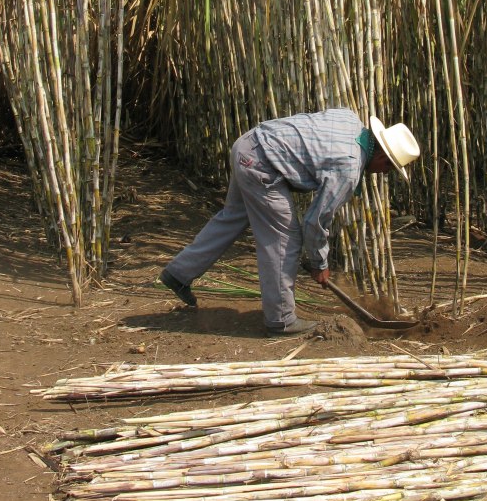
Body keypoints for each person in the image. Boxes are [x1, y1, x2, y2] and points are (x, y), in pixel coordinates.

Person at [159, 108, 420, 335]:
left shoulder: (349, 119)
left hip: (247, 145)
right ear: (382, 157)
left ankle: (178, 273)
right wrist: (320, 263)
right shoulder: (349, 168)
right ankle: (281, 321)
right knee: (287, 238)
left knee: (232, 217)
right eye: (388, 168)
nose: (384, 174)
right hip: (262, 166)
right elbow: (315, 221)